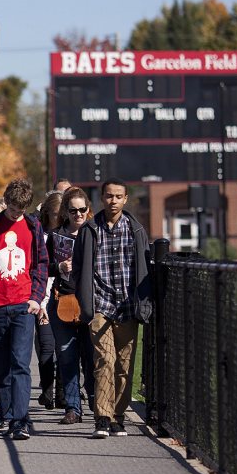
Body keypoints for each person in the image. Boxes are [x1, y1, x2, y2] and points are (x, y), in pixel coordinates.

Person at [71, 178, 153, 438]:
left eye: (118, 196)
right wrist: (86, 300)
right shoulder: (90, 230)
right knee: (104, 359)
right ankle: (103, 418)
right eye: (109, 196)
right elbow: (78, 267)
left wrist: (145, 304)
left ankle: (118, 416)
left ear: (125, 199)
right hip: (100, 306)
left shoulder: (136, 230)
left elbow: (145, 269)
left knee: (124, 364)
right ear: (101, 198)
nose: (113, 201)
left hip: (128, 306)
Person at [0, 179, 49, 441]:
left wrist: (37, 297)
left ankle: (20, 420)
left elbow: (40, 263)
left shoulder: (32, 225)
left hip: (22, 305)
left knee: (20, 364)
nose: (16, 214)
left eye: (21, 210)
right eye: (13, 208)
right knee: (1, 366)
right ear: (6, 202)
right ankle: (5, 416)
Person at [48, 187, 95, 425]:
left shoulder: (96, 234)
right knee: (67, 356)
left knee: (91, 356)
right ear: (65, 212)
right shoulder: (56, 236)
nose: (78, 215)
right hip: (63, 301)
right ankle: (73, 407)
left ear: (88, 210)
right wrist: (59, 268)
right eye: (73, 210)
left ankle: (98, 404)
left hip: (91, 303)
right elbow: (42, 267)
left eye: (82, 210)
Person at [35, 192, 63, 411]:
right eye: (57, 213)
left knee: (64, 348)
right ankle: (47, 391)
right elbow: (42, 273)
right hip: (43, 297)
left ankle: (63, 394)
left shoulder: (67, 236)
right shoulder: (41, 237)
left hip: (64, 297)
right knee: (47, 346)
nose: (61, 217)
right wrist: (41, 303)